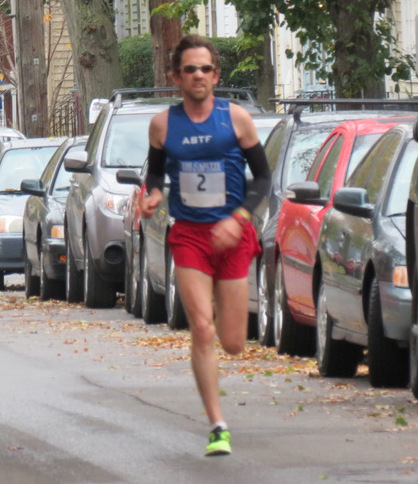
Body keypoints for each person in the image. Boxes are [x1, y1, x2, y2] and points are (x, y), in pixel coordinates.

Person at [140, 34, 271, 456]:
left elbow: (263, 179)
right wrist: (153, 194)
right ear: (176, 77)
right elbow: (155, 173)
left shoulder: (237, 119)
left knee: (233, 342)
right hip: (190, 235)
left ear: (216, 75)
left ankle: (224, 348)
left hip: (233, 233)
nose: (198, 75)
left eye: (205, 69)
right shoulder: (162, 124)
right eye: (190, 69)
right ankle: (217, 425)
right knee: (201, 328)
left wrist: (240, 217)